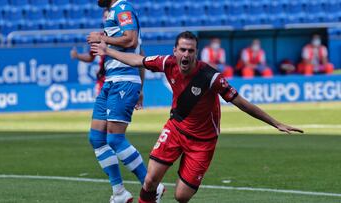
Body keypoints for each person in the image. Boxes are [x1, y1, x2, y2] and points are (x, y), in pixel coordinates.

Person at [91, 31, 304, 203]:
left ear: (196, 53)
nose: (186, 54)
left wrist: (275, 123)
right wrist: (107, 51)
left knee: (181, 196)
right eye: (182, 49)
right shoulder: (167, 63)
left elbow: (241, 103)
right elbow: (137, 60)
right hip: (175, 129)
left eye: (190, 51)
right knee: (149, 181)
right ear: (175, 50)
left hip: (202, 142)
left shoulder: (211, 78)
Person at [86, 1, 161, 202]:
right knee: (96, 138)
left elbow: (131, 40)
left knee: (115, 139)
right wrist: (142, 88)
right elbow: (142, 56)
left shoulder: (123, 9)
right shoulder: (114, 13)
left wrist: (102, 38)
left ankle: (151, 185)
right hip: (112, 80)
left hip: (123, 80)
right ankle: (119, 192)